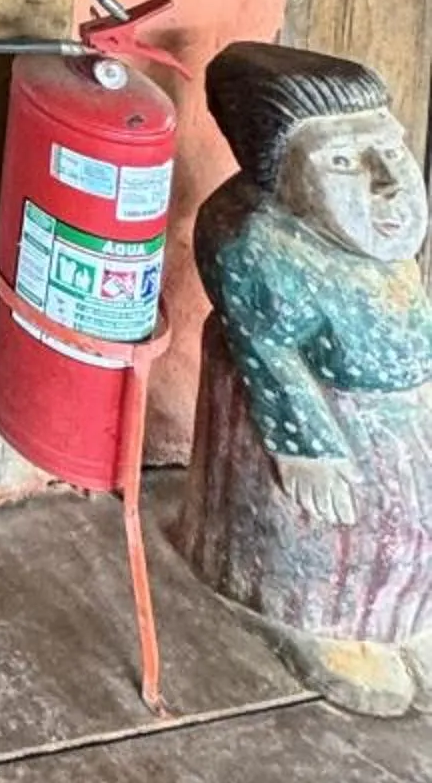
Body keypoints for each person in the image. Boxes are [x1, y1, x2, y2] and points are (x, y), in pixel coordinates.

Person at [181, 42, 432, 715]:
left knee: (413, 530)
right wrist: (306, 446)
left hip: (403, 415)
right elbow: (267, 352)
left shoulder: (375, 247)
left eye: (392, 151)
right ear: (283, 177)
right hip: (327, 423)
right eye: (344, 162)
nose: (388, 183)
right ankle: (335, 628)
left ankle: (405, 619)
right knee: (341, 540)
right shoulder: (259, 244)